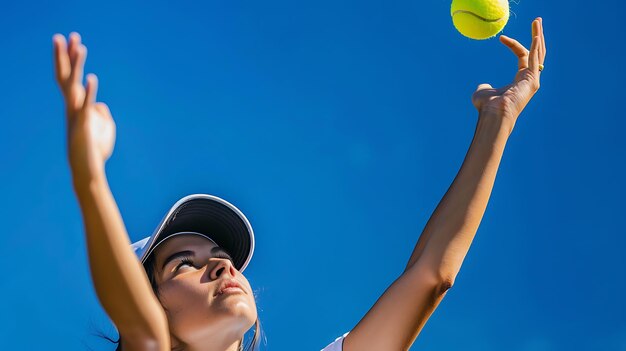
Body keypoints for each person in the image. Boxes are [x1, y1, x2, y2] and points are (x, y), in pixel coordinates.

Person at [52, 17, 546, 351]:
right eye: (184, 263)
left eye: (219, 255)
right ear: (147, 300)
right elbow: (142, 330)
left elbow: (430, 276)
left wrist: (499, 120)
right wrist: (89, 174)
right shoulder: (145, 337)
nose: (221, 263)